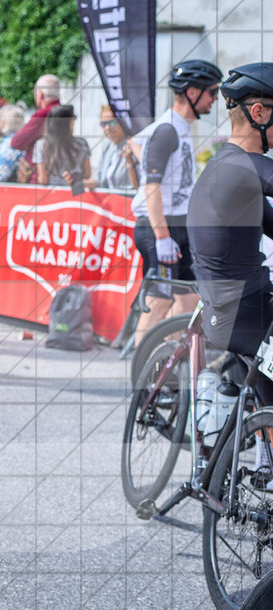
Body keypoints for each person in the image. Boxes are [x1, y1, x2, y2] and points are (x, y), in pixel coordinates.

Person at [187, 62, 273, 408]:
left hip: (232, 310)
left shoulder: (226, 163)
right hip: (245, 313)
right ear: (258, 112)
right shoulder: (244, 167)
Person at [130, 59, 223, 344]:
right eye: (212, 92)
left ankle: (169, 371)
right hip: (161, 227)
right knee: (159, 301)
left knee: (187, 302)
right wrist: (161, 236)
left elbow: (135, 145)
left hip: (179, 227)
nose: (215, 99)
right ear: (193, 92)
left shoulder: (180, 128)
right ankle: (140, 377)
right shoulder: (167, 129)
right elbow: (151, 185)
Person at [10, 74, 62, 183]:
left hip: (40, 177)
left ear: (40, 94)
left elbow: (16, 142)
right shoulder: (64, 112)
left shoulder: (43, 115)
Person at [32, 105, 96, 190]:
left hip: (52, 194)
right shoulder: (81, 143)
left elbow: (43, 179)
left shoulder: (41, 145)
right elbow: (87, 175)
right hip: (76, 192)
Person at [96, 104, 139, 190]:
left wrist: (129, 160)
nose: (107, 128)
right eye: (103, 124)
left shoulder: (134, 144)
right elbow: (99, 180)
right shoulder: (107, 145)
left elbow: (137, 186)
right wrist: (75, 185)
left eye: (112, 122)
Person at [0, 104, 25, 183]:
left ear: (5, 122)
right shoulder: (20, 140)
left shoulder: (8, 143)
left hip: (6, 188)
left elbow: (2, 174)